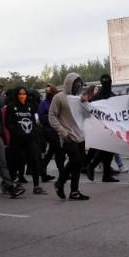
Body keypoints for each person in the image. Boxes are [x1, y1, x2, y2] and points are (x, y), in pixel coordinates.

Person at [48, 72, 91, 201]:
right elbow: (52, 116)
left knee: (78, 163)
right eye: (75, 84)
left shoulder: (79, 98)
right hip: (67, 135)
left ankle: (74, 191)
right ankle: (60, 182)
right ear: (69, 84)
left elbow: (87, 115)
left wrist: (85, 103)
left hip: (80, 134)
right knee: (75, 159)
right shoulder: (59, 97)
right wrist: (62, 131)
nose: (78, 87)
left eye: (79, 84)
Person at [5, 86, 46, 194]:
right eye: (20, 94)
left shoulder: (30, 107)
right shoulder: (11, 107)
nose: (22, 96)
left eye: (24, 94)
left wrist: (34, 131)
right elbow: (8, 123)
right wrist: (17, 132)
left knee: (34, 160)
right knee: (16, 163)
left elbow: (35, 121)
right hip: (17, 140)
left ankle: (36, 186)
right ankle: (11, 184)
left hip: (29, 139)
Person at [84, 74, 118, 183]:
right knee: (106, 150)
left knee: (108, 151)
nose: (106, 83)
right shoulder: (100, 95)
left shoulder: (105, 95)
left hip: (109, 126)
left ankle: (105, 173)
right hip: (103, 126)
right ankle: (94, 167)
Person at [38, 85, 63, 180]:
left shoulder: (56, 102)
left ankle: (43, 171)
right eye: (46, 91)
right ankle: (62, 172)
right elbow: (42, 117)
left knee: (52, 151)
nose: (48, 92)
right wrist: (52, 120)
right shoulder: (44, 104)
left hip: (56, 130)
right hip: (49, 131)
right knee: (59, 151)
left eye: (50, 91)